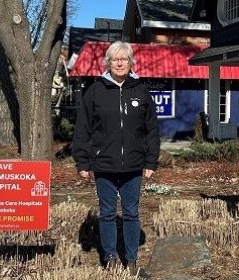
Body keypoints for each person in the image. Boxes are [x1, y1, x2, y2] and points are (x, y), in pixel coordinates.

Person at [72, 41, 160, 275]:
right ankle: (110, 256)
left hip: (134, 166)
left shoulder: (140, 91)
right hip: (104, 165)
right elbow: (83, 129)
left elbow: (151, 129)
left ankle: (131, 259)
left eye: (124, 58)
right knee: (108, 213)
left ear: (131, 62)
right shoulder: (95, 91)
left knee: (131, 213)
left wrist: (151, 161)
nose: (119, 62)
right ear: (108, 63)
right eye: (114, 59)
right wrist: (83, 161)